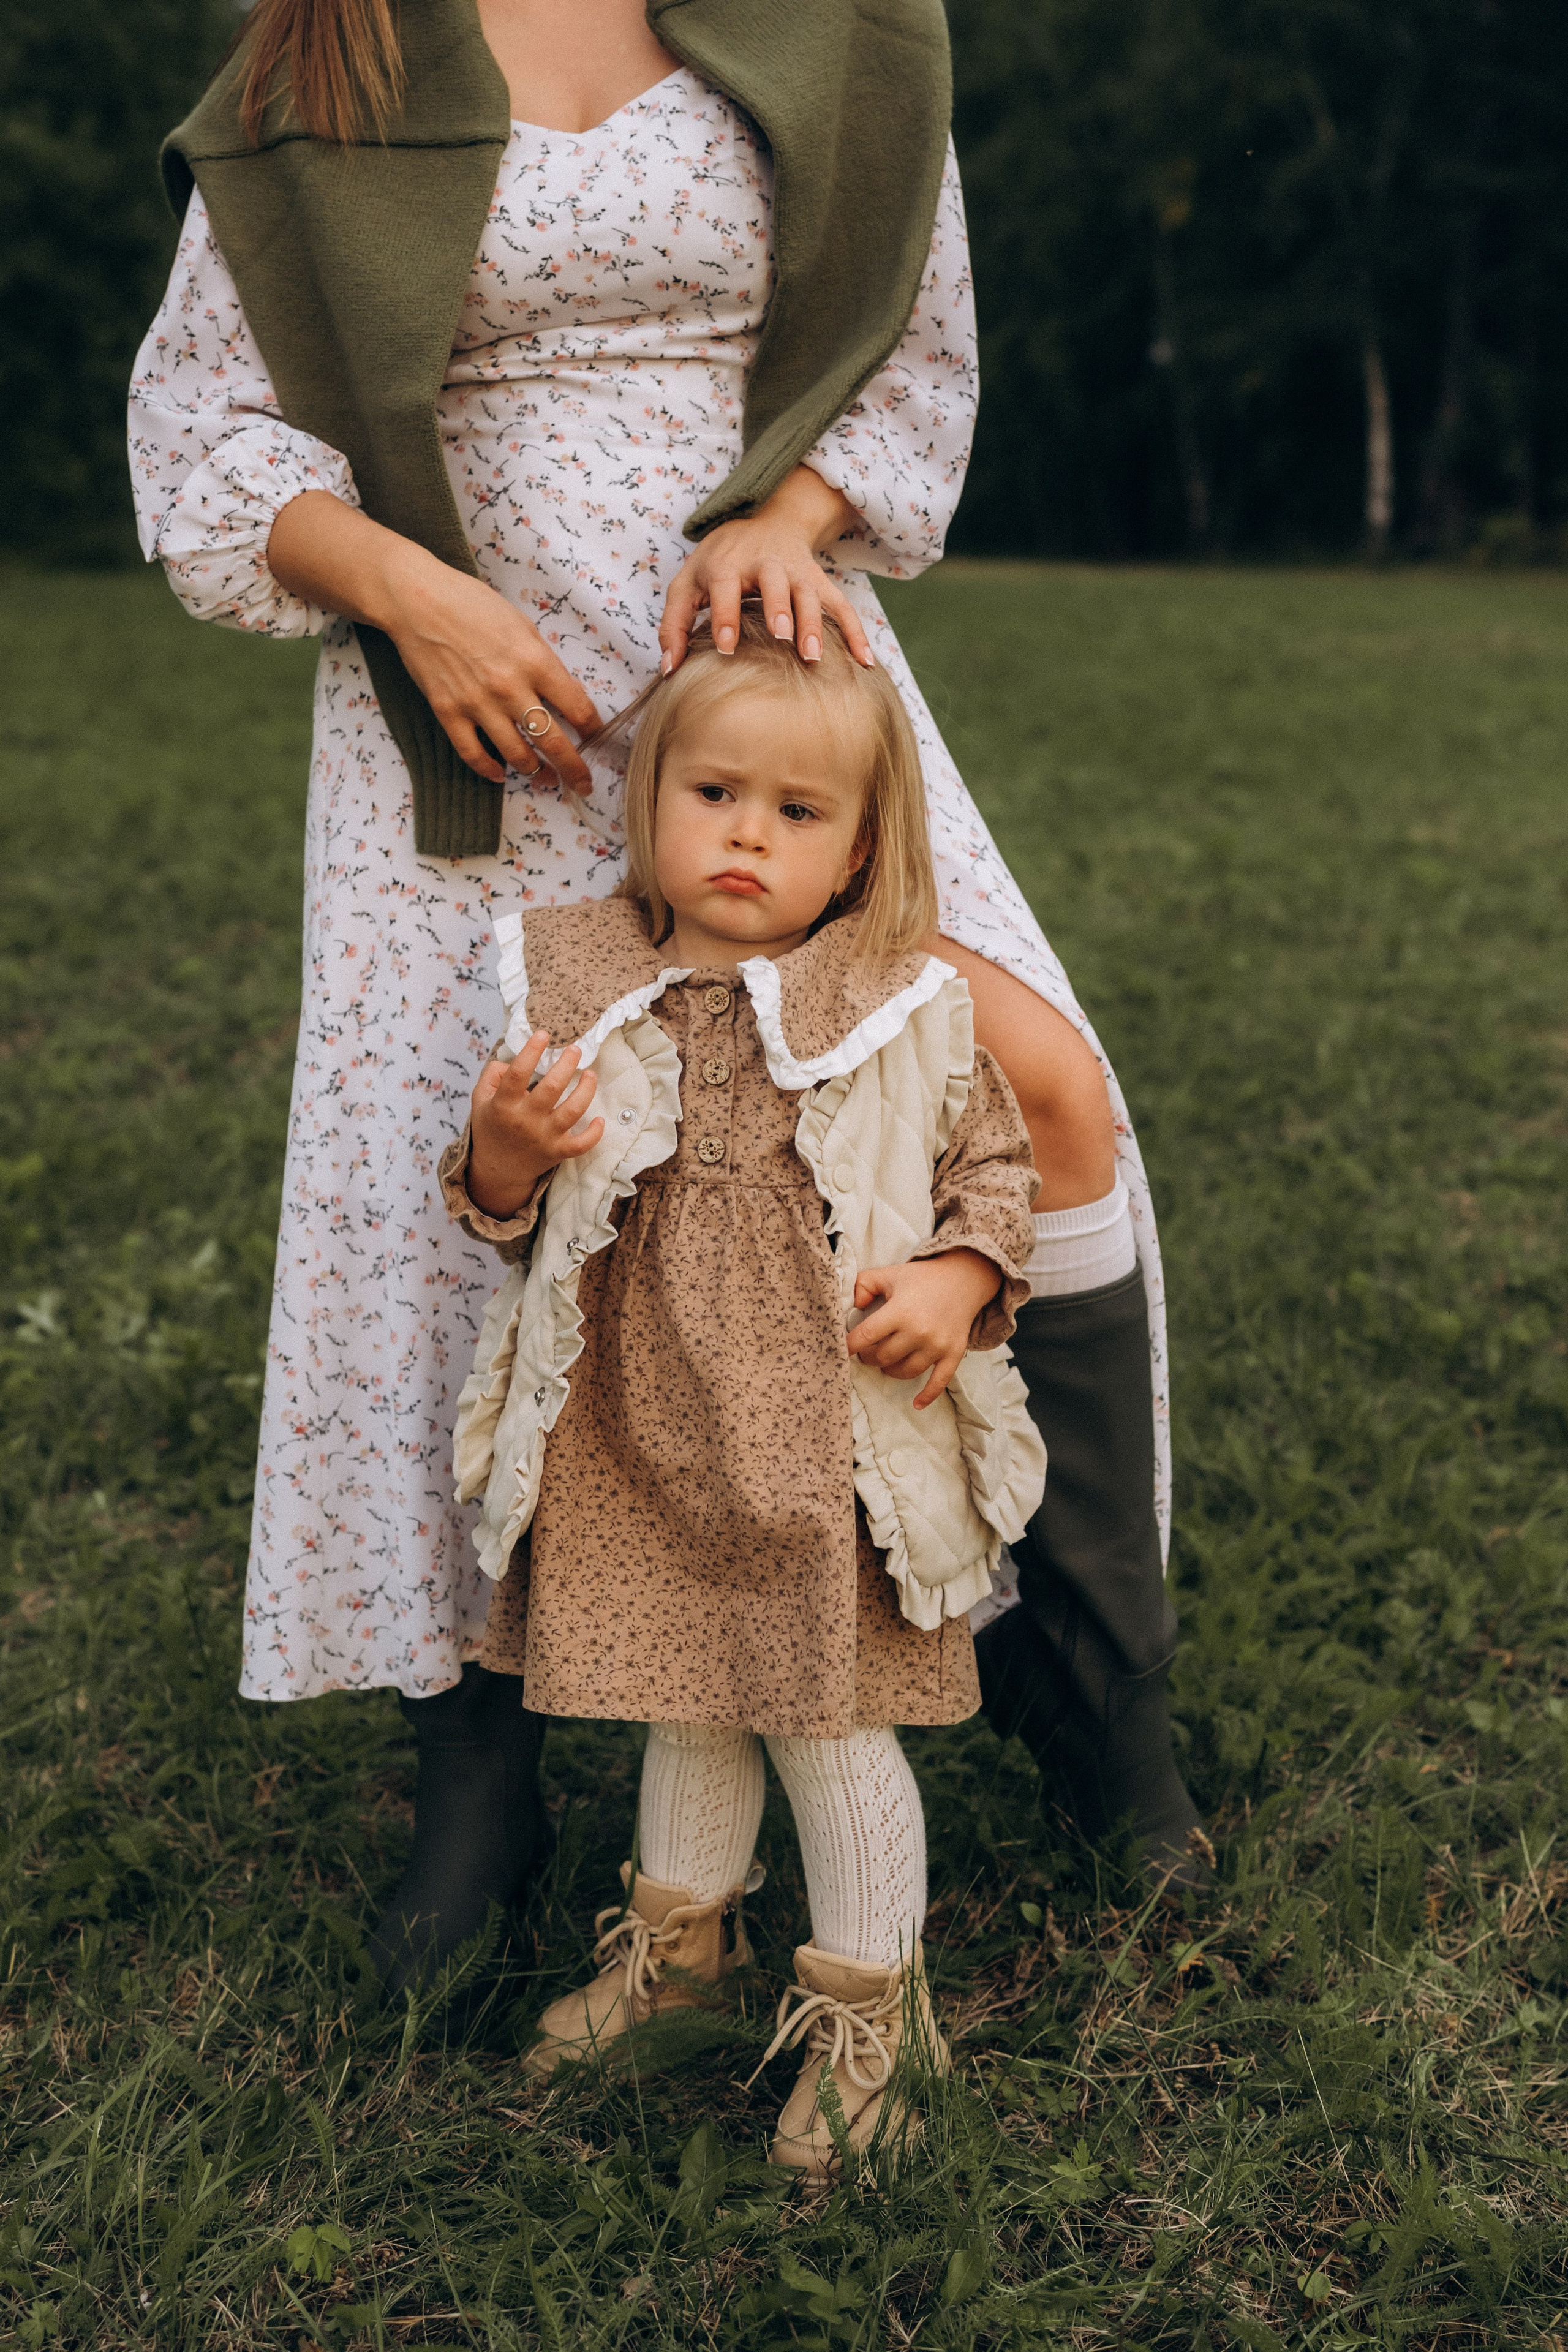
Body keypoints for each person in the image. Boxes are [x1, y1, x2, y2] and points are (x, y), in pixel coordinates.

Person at [126, 0, 1205, 1991]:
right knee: (483, 1176)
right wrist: (411, 594)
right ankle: (474, 1755)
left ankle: (1088, 1679)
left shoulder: (839, 26)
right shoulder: (332, 47)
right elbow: (204, 439)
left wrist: (785, 520)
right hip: (466, 728)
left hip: (774, 705)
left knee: (1032, 1088)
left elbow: (905, 356)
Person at [440, 609, 1044, 2174]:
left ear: (853, 851)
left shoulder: (898, 1004)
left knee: (823, 1724)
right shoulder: (579, 981)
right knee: (683, 1694)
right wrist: (510, 1147)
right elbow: (499, 1215)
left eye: (795, 813)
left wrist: (954, 1282)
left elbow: (991, 1170)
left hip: (820, 1437)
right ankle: (679, 1960)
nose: (745, 838)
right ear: (648, 806)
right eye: (713, 795)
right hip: (644, 1425)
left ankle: (872, 2024)